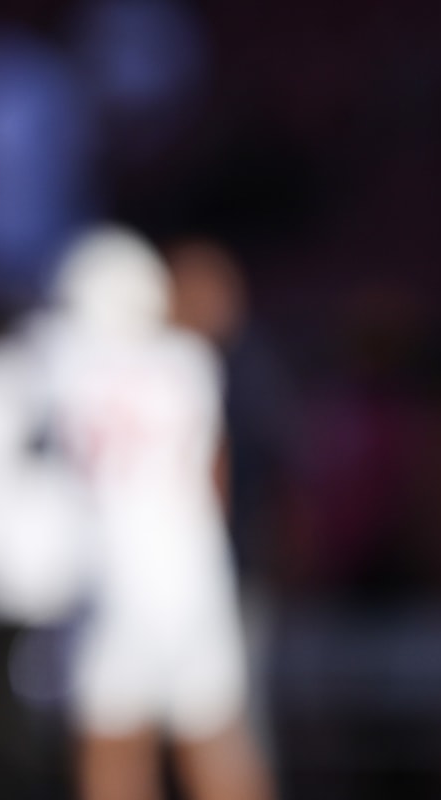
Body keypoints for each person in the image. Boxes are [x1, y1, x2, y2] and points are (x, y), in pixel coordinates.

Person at [32, 226, 271, 800]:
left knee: (113, 747)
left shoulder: (61, 365)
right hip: (194, 578)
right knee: (217, 739)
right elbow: (216, 482)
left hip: (115, 581)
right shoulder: (191, 363)